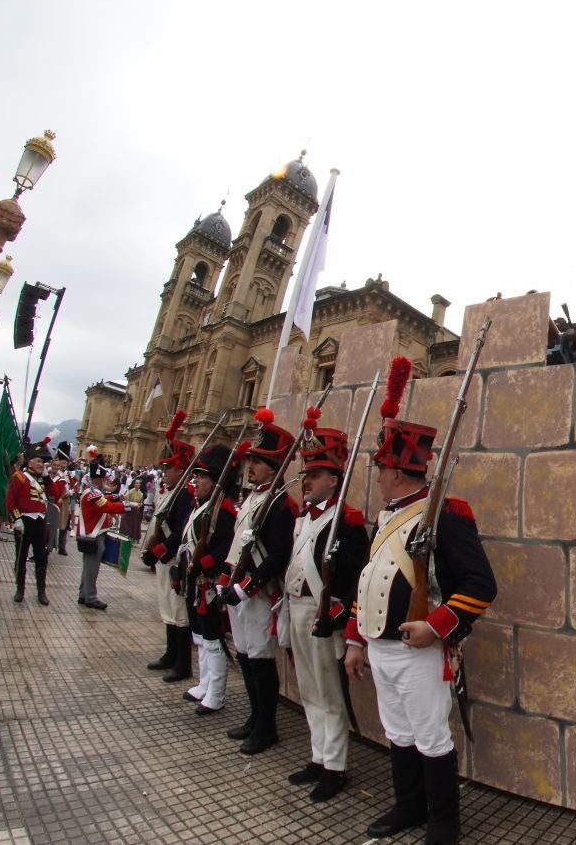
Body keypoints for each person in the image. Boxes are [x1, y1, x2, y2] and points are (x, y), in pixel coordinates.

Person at [345, 356, 497, 845]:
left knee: (432, 738)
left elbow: (479, 584)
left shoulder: (446, 515)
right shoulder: (387, 516)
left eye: (381, 467)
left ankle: (443, 827)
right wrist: (355, 641)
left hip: (421, 649)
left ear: (395, 471)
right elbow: (367, 583)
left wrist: (436, 625)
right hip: (380, 646)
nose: (377, 474)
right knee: (398, 733)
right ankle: (408, 808)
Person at [282, 415, 369, 802]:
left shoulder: (346, 521)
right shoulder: (303, 521)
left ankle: (335, 765)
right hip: (296, 611)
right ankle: (318, 756)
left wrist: (335, 617)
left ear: (334, 480)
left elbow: (356, 582)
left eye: (315, 475)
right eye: (306, 474)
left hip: (324, 618)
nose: (307, 481)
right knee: (309, 690)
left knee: (330, 694)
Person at [221, 409, 297, 755]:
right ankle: (255, 717)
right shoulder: (253, 498)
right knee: (246, 657)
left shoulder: (282, 504)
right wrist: (227, 581)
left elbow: (279, 554)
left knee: (261, 660)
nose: (251, 466)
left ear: (274, 466)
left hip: (259, 594)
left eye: (259, 461)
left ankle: (266, 726)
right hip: (239, 592)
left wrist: (246, 587)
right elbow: (238, 546)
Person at [179, 443, 238, 715]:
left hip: (208, 582)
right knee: (200, 634)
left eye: (203, 477)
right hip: (195, 580)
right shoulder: (201, 506)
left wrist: (201, 564)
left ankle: (216, 693)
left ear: (215, 482)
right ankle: (204, 683)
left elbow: (226, 546)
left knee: (213, 638)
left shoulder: (223, 509)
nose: (197, 480)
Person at [140, 410, 196, 684]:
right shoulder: (171, 492)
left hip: (176, 560)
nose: (164, 473)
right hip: (165, 560)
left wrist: (160, 551)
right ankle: (170, 654)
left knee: (179, 613)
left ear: (181, 469)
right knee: (167, 610)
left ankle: (182, 663)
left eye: (168, 468)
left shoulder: (186, 495)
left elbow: (182, 532)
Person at [6, 438, 53, 605]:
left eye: (43, 462)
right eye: (39, 461)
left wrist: (47, 478)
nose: (42, 464)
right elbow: (10, 501)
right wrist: (17, 518)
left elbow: (54, 493)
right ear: (30, 461)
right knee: (21, 557)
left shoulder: (42, 479)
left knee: (42, 559)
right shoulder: (19, 477)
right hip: (24, 522)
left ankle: (41, 591)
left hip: (40, 523)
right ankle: (20, 589)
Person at [77, 458, 125, 610]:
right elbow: (107, 506)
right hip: (93, 535)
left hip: (93, 535)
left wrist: (117, 496)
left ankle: (83, 594)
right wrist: (128, 506)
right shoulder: (93, 494)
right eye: (104, 478)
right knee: (92, 568)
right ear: (99, 478)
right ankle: (90, 597)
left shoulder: (94, 492)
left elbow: (105, 498)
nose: (107, 480)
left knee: (88, 567)